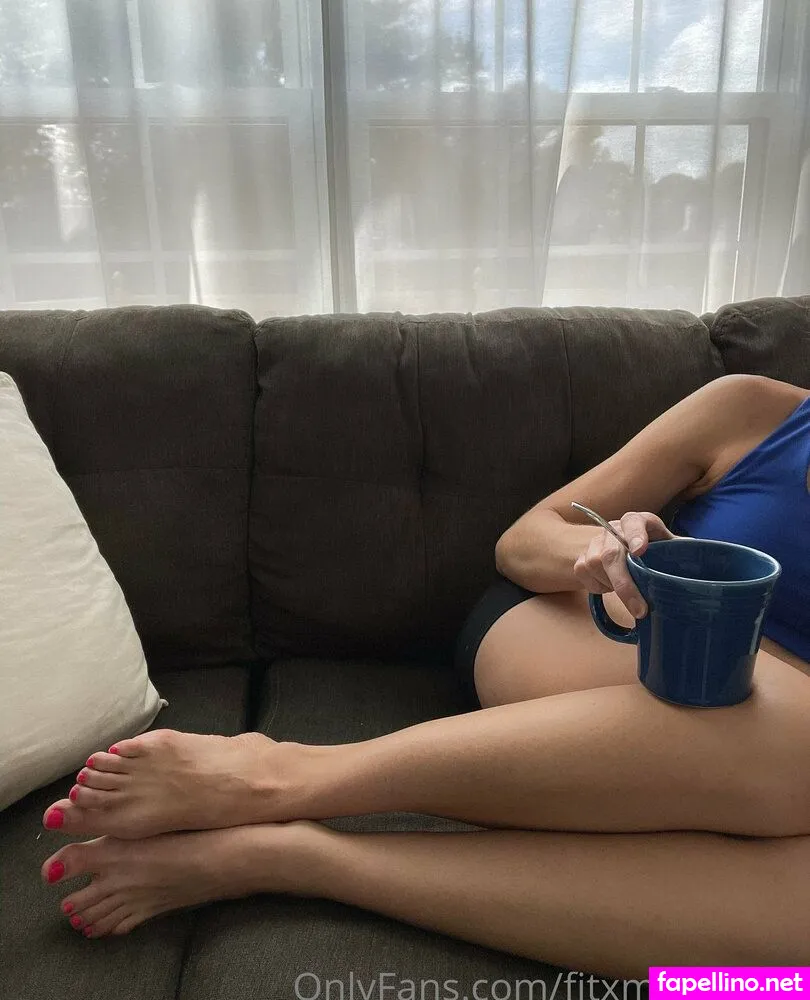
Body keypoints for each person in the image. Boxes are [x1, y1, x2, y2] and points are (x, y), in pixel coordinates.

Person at [39, 373, 810, 975]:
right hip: (595, 641)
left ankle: (297, 859)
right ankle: (282, 776)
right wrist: (613, 554)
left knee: (773, 978)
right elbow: (523, 540)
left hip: (778, 749)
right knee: (792, 738)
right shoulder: (749, 409)